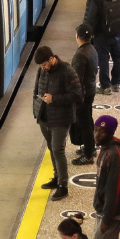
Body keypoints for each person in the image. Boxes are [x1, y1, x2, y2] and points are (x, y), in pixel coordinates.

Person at [33, 45, 82, 201]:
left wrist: (54, 99)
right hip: (44, 118)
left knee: (58, 150)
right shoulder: (41, 71)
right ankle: (56, 177)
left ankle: (63, 185)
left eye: (45, 64)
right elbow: (36, 91)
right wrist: (36, 110)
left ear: (52, 58)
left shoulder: (67, 71)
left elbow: (77, 94)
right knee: (51, 149)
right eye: (41, 66)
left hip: (61, 118)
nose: (43, 68)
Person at [70, 24, 98, 164]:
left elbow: (76, 79)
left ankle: (88, 155)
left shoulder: (80, 54)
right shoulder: (92, 49)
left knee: (84, 123)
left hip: (82, 94)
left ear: (77, 36)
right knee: (88, 120)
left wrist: (74, 96)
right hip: (90, 90)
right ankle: (91, 148)